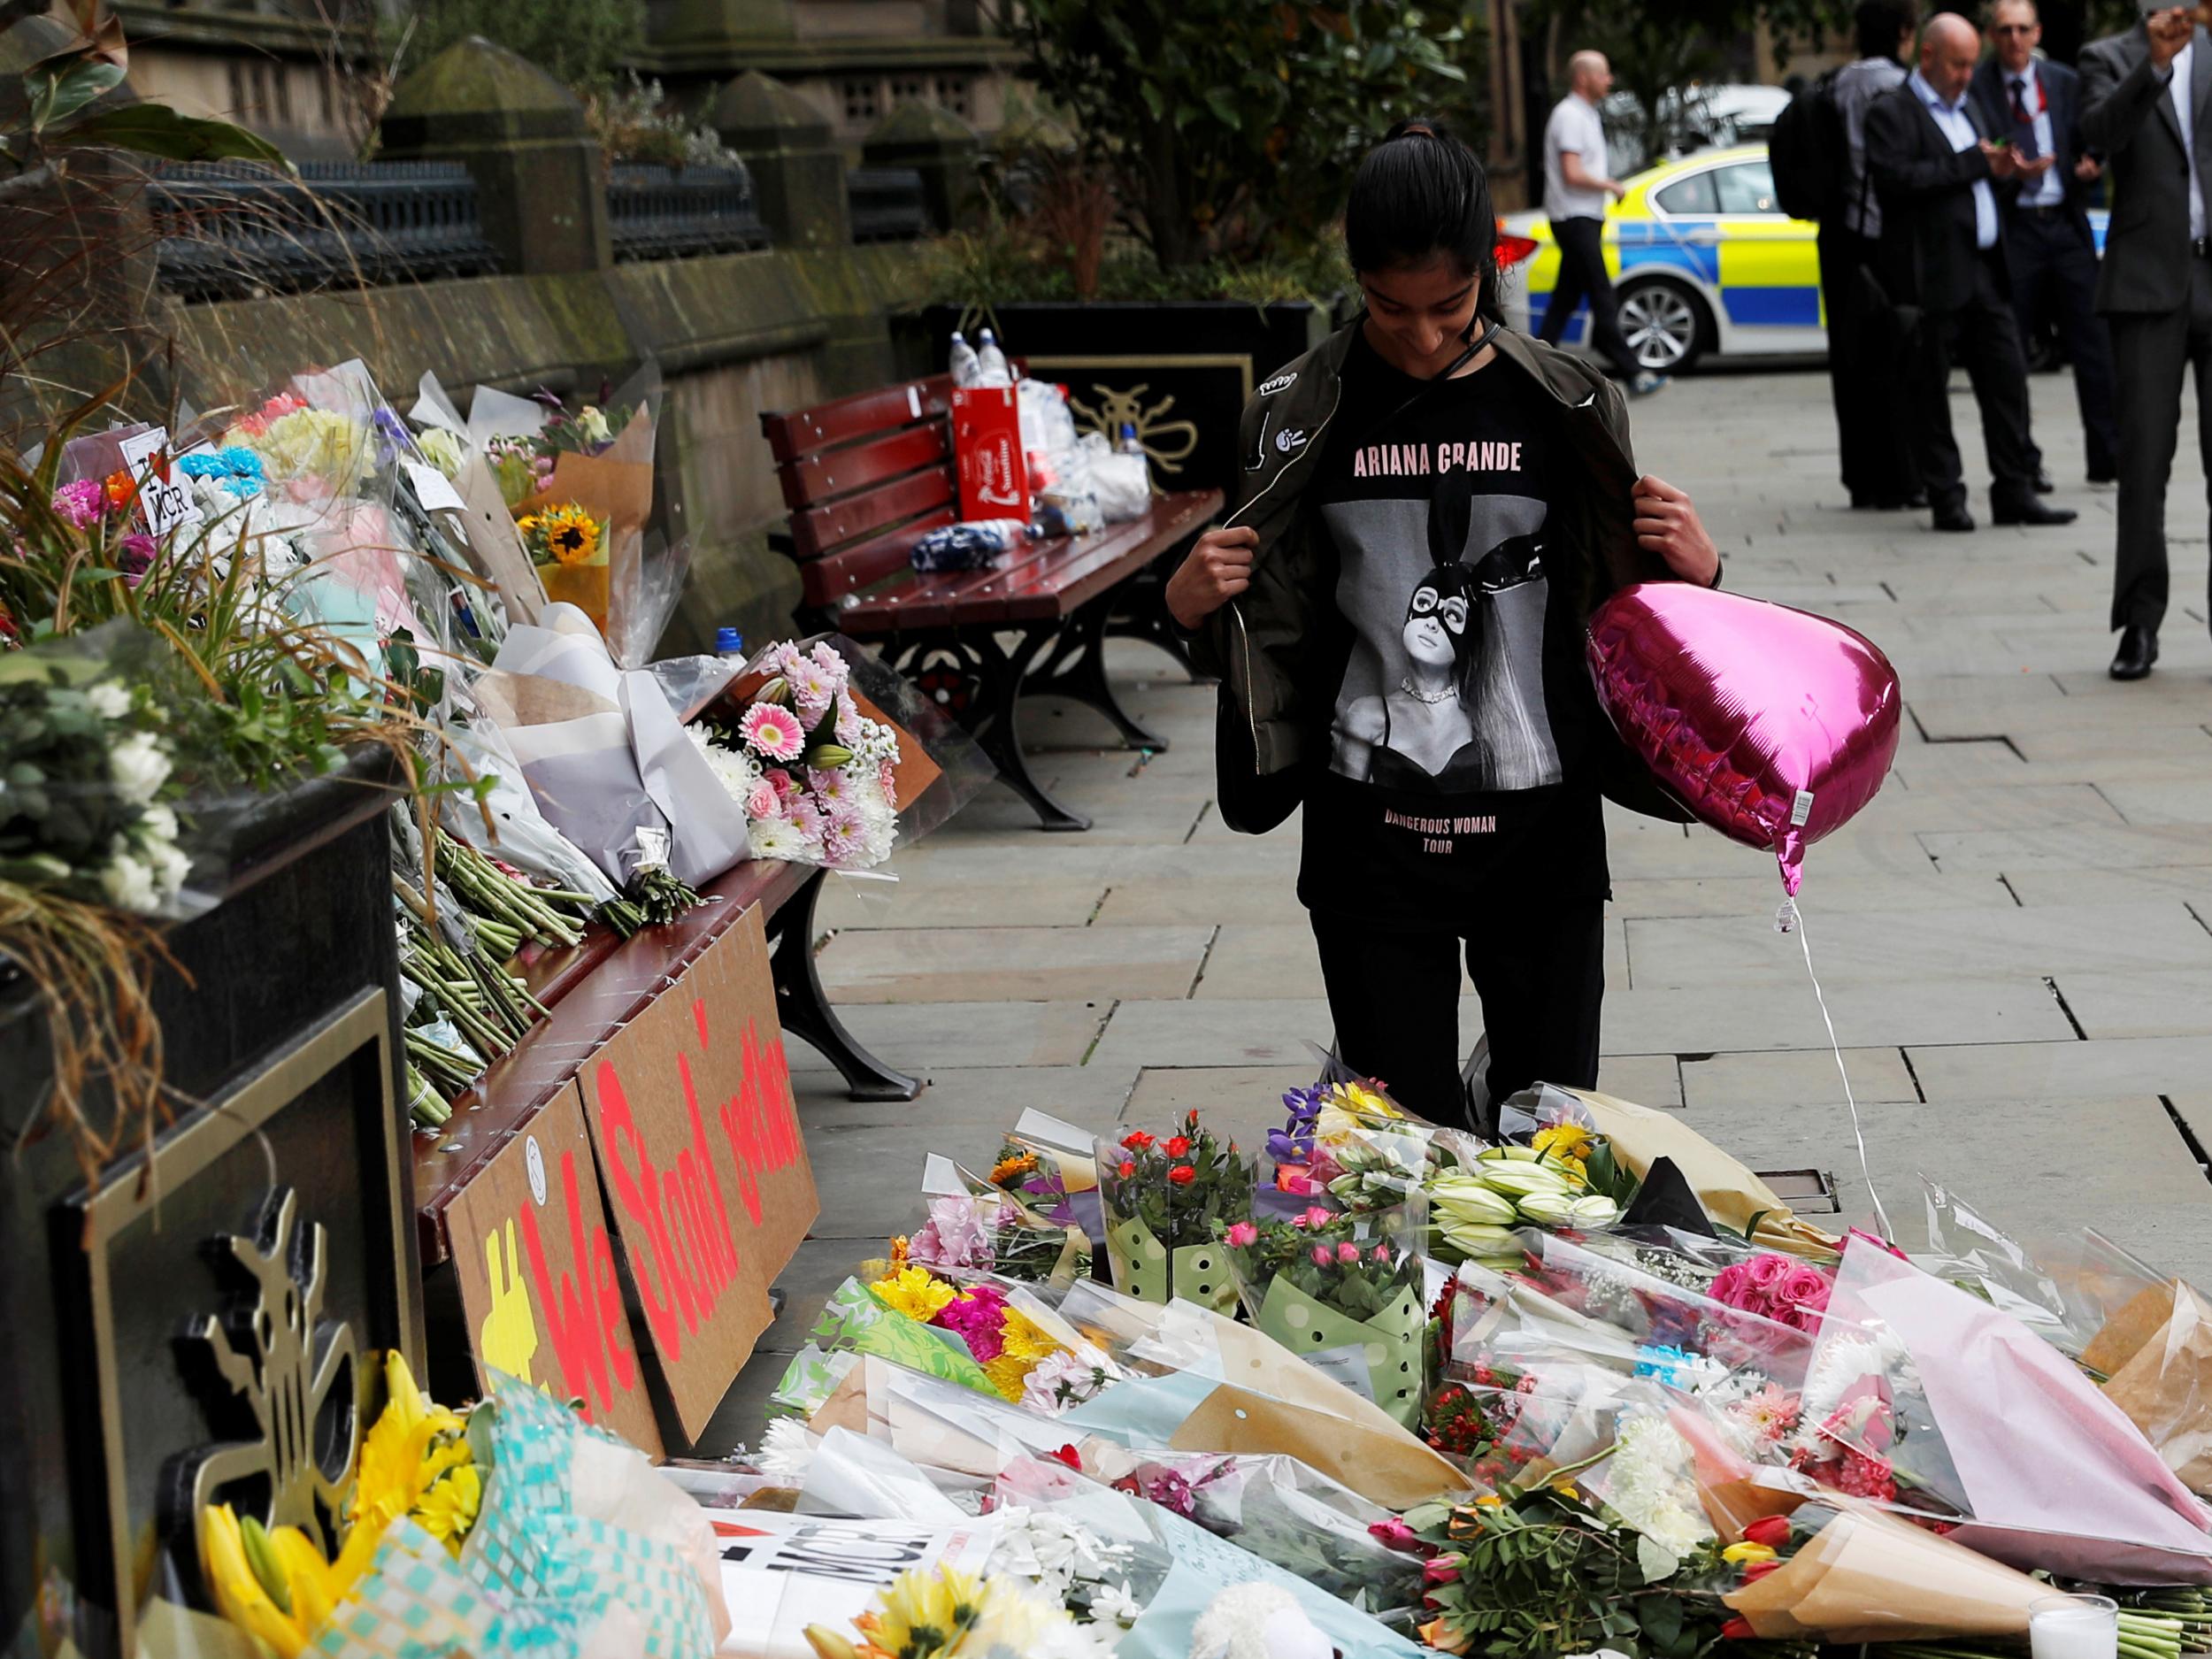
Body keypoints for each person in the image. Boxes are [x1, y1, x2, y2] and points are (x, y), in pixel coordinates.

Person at [1164, 119, 1722, 1127]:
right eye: (1388, 309)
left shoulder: (1566, 404)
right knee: (1401, 1154)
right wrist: (1187, 607)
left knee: (1551, 1148)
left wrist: (1700, 571)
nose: (1419, 337)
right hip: (1367, 850)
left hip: (1541, 845)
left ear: (1491, 267)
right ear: (1354, 274)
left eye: (1449, 307)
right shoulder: (1298, 414)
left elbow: (1624, 612)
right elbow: (1271, 632)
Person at [1863, 13, 2078, 532]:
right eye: (1957, 64)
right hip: (1932, 277)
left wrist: (2009, 173)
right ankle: (1947, 497)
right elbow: (1897, 180)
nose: (1965, 74)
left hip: (1986, 269)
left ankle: (2015, 490)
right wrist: (1974, 163)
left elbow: (1982, 180)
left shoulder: (1974, 107)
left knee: (2008, 381)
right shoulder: (1893, 111)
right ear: (1928, 56)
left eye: (1970, 64)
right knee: (1930, 390)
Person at [2079, 4, 2212, 680]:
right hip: (2145, 284)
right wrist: (2154, 66)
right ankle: (2138, 623)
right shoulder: (2108, 57)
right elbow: (2097, 134)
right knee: (2142, 467)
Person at [1969, 0, 2120, 489]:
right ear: (1992, 36)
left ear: (2036, 34)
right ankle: (2024, 464)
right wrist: (2009, 171)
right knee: (2012, 351)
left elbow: (2091, 135)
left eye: (2023, 29)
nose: (2014, 39)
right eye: (2005, 30)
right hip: (2017, 228)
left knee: (2093, 344)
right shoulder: (1979, 88)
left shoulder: (2063, 80)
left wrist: (2091, 164)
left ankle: (2108, 456)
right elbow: (1977, 154)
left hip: (2065, 223)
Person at [1825, 0, 1928, 510]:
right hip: (1887, 236)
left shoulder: (1837, 82)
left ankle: (1862, 479)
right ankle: (1904, 477)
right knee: (1899, 353)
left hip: (1839, 238)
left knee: (1851, 362)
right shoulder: (1898, 86)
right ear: (1906, 33)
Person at [1538, 51, 1668, 396]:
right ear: (1583, 77)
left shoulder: (1584, 115)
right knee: (1601, 293)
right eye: (1604, 74)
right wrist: (1610, 185)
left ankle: (1532, 365)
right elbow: (1572, 172)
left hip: (1583, 217)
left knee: (1564, 300)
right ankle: (1632, 370)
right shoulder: (1569, 116)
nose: (1609, 81)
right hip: (1573, 217)